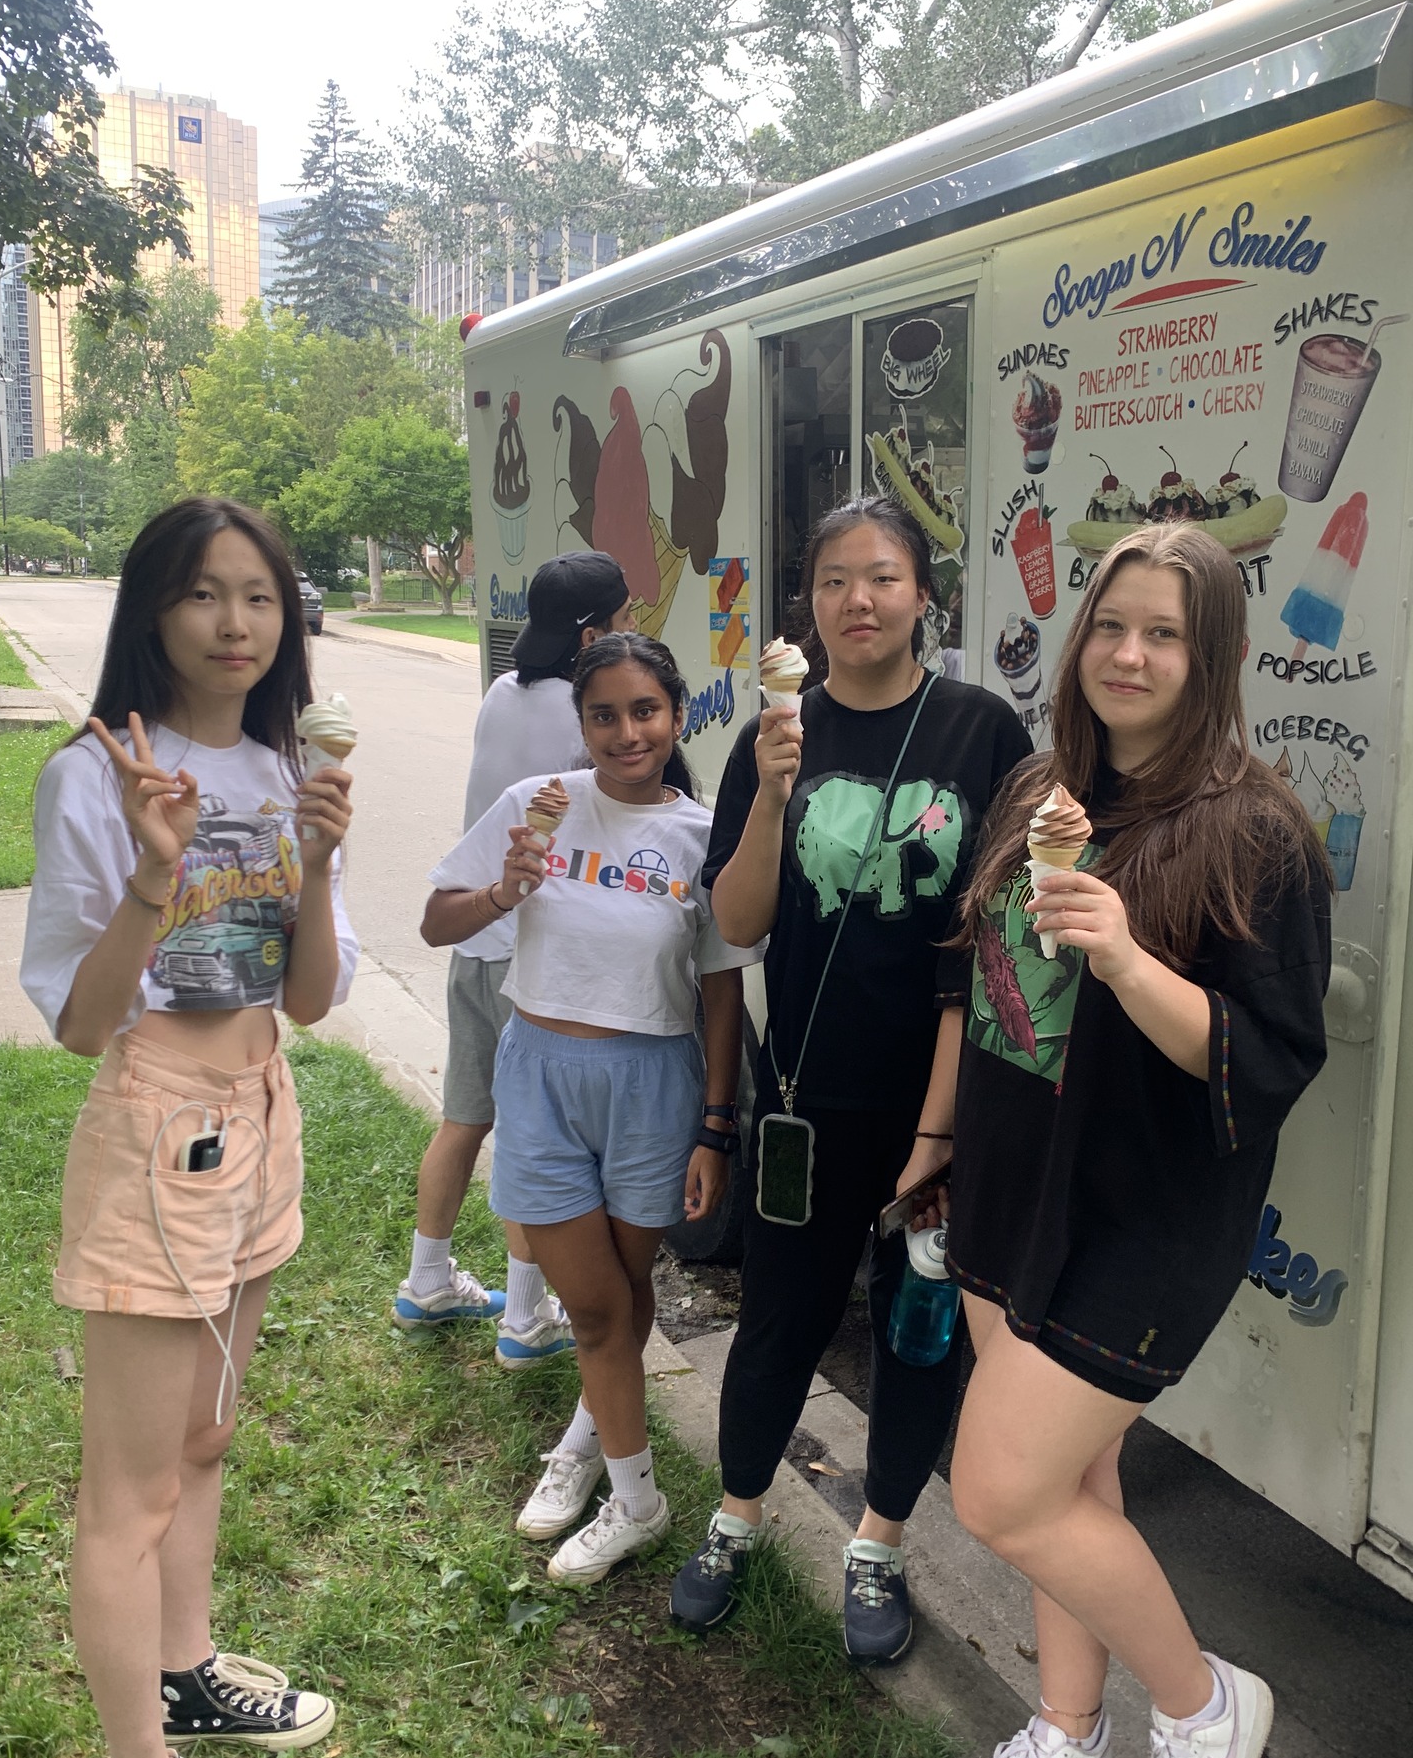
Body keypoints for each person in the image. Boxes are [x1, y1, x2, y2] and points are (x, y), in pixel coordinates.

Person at [942, 522, 1330, 1758]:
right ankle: (1066, 1732)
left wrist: (1121, 954)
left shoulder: (1256, 833)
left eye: (1164, 632)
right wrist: (941, 1144)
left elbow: (1269, 1052)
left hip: (1142, 1215)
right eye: (1111, 624)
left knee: (997, 1491)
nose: (1129, 653)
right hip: (1008, 1185)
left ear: (1211, 653)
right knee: (1074, 1482)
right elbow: (988, 993)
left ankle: (1205, 1706)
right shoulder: (1041, 792)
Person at [20, 499, 359, 1758]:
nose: (236, 624)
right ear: (152, 609)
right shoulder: (99, 773)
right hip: (156, 1119)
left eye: (262, 597)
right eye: (207, 595)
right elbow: (81, 1024)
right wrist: (156, 880)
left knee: (205, 1441)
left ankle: (184, 1662)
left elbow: (318, 999)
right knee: (129, 1491)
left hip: (261, 1103)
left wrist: (322, 864)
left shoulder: (283, 769)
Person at [670, 496, 1032, 1653]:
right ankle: (734, 1517)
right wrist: (774, 793)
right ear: (809, 604)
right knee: (782, 1312)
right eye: (833, 580)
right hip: (806, 1106)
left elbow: (991, 944)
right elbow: (736, 918)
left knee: (919, 1325)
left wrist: (947, 1131)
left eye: (881, 576)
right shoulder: (775, 734)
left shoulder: (983, 732)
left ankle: (877, 1544)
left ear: (925, 593)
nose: (857, 600)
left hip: (942, 1108)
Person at [421, 632, 757, 1585]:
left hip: (654, 1085)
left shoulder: (699, 837)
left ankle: (587, 1443)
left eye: (643, 711)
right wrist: (503, 886)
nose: (625, 732)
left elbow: (723, 991)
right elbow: (437, 920)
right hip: (540, 1073)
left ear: (677, 716)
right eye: (602, 715)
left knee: (622, 1290)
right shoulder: (536, 809)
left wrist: (716, 1127)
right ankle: (638, 1496)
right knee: (595, 1302)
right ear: (580, 725)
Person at [394, 552, 636, 1365]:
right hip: (527, 961)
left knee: (465, 1116)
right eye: (626, 618)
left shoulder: (502, 693)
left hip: (475, 942)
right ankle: (526, 1316)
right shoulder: (584, 716)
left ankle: (427, 1279)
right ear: (597, 632)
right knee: (538, 1142)